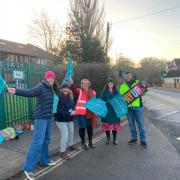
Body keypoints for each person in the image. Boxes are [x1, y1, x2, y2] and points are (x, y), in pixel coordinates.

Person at [7, 71, 59, 180]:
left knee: (46, 140)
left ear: (54, 79)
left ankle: (45, 160)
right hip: (41, 118)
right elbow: (30, 92)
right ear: (46, 78)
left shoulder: (52, 88)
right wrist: (16, 90)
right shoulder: (41, 86)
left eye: (52, 78)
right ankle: (28, 168)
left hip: (49, 117)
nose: (51, 80)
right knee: (38, 142)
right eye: (49, 78)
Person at [119, 72, 148, 148]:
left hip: (138, 106)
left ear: (131, 76)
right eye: (126, 76)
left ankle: (143, 140)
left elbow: (144, 93)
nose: (128, 77)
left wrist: (145, 87)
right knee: (131, 124)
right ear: (124, 77)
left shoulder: (137, 83)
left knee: (140, 124)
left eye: (129, 75)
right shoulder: (122, 86)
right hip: (128, 108)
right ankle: (134, 138)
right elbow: (121, 97)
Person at [71, 78, 96, 150]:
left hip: (90, 112)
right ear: (81, 85)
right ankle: (83, 143)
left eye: (87, 83)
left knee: (90, 128)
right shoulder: (79, 91)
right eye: (84, 83)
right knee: (82, 128)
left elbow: (95, 102)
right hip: (81, 113)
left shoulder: (93, 92)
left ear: (89, 84)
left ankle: (90, 142)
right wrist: (72, 84)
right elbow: (74, 91)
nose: (85, 85)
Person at [54, 82, 76, 160]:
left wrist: (74, 110)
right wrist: (70, 113)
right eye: (64, 88)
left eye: (67, 88)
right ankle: (62, 152)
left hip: (69, 118)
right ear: (61, 89)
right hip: (60, 119)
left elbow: (72, 106)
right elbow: (59, 110)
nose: (66, 89)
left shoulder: (70, 97)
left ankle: (70, 145)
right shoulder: (59, 97)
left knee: (71, 132)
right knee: (65, 135)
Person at [100, 78, 121, 145]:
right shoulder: (104, 92)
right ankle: (108, 139)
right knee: (107, 126)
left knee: (115, 126)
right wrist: (104, 102)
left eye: (112, 83)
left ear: (113, 84)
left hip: (115, 112)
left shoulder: (116, 92)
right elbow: (101, 100)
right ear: (107, 84)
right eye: (109, 83)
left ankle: (114, 139)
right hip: (107, 111)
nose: (110, 84)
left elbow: (120, 100)